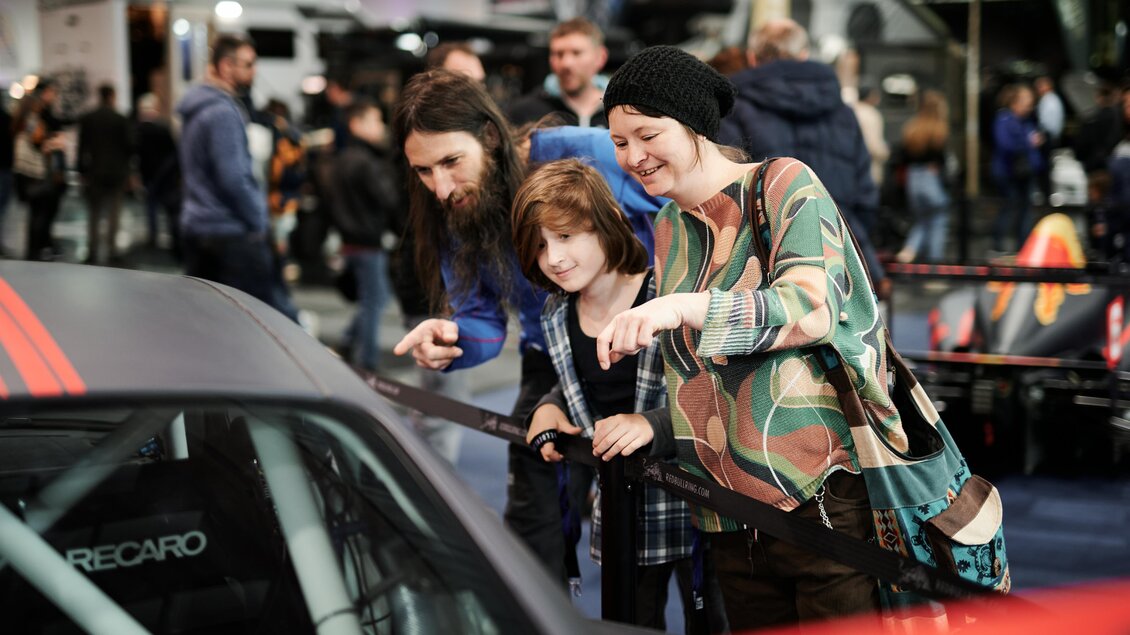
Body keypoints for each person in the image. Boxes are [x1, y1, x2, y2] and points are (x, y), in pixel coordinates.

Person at [598, 45, 900, 630]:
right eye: (619, 141)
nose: (632, 156)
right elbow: (702, 374)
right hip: (726, 511)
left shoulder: (782, 182)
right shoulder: (668, 226)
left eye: (647, 134)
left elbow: (810, 308)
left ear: (693, 127)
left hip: (821, 495)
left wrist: (682, 307)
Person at [390, 69, 662, 583]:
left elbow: (683, 209)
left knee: (690, 530)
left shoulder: (586, 152)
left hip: (653, 349)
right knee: (533, 510)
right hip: (555, 360)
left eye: (451, 162)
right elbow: (482, 323)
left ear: (490, 137)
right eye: (423, 171)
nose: (441, 187)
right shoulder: (453, 211)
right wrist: (454, 341)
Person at [511, 158, 718, 633]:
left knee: (712, 619)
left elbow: (716, 394)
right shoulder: (556, 313)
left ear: (604, 226)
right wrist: (551, 404)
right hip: (624, 507)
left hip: (699, 502)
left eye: (565, 236)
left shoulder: (667, 295)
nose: (554, 258)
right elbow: (581, 377)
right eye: (540, 245)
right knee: (630, 619)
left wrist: (653, 426)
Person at [719, 18, 889, 299]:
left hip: (763, 266)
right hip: (843, 253)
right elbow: (866, 193)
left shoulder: (734, 109)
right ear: (803, 55)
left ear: (751, 57)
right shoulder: (843, 113)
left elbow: (728, 190)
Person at [177, 34, 298, 321]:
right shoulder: (221, 111)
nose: (253, 71)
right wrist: (259, 220)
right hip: (230, 233)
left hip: (200, 227)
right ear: (225, 66)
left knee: (210, 320)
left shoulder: (197, 107)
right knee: (266, 320)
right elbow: (233, 178)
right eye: (248, 64)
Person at [325, 100, 399, 372]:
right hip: (368, 242)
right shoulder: (367, 162)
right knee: (374, 301)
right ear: (357, 124)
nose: (380, 127)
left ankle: (348, 340)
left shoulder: (340, 160)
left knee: (373, 297)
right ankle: (366, 361)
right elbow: (387, 199)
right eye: (375, 120)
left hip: (348, 241)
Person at [506, 17, 609, 128]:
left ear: (601, 57)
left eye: (576, 53)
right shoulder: (524, 112)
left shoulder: (620, 109)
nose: (566, 63)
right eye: (559, 54)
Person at [78, 83, 133, 265]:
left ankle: (92, 249)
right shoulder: (120, 119)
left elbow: (82, 148)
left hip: (95, 171)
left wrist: (81, 171)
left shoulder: (88, 118)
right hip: (117, 172)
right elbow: (130, 146)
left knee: (94, 213)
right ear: (112, 96)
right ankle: (112, 249)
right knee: (114, 212)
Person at [13, 81, 67, 262]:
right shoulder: (32, 121)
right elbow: (38, 142)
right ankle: (35, 251)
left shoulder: (21, 122)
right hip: (34, 172)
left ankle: (34, 250)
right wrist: (52, 143)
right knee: (39, 213)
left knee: (35, 213)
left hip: (25, 173)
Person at [896, 89, 951, 263]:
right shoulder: (939, 129)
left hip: (913, 178)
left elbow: (902, 155)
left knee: (922, 219)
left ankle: (909, 250)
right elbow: (941, 158)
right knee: (938, 220)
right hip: (929, 177)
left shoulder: (912, 127)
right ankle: (935, 265)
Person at [991, 83, 1044, 253]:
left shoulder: (1025, 121)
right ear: (1015, 102)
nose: (1029, 105)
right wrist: (1028, 143)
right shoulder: (1004, 119)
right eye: (1026, 101)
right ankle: (998, 247)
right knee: (1009, 207)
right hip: (1008, 173)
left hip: (1025, 173)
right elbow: (1005, 144)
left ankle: (1023, 248)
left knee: (1025, 211)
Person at [135, 93, 181, 256]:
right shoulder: (163, 127)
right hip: (165, 175)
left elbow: (137, 155)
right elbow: (174, 153)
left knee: (151, 208)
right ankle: (174, 240)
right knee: (169, 209)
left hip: (149, 174)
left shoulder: (139, 129)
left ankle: (153, 237)